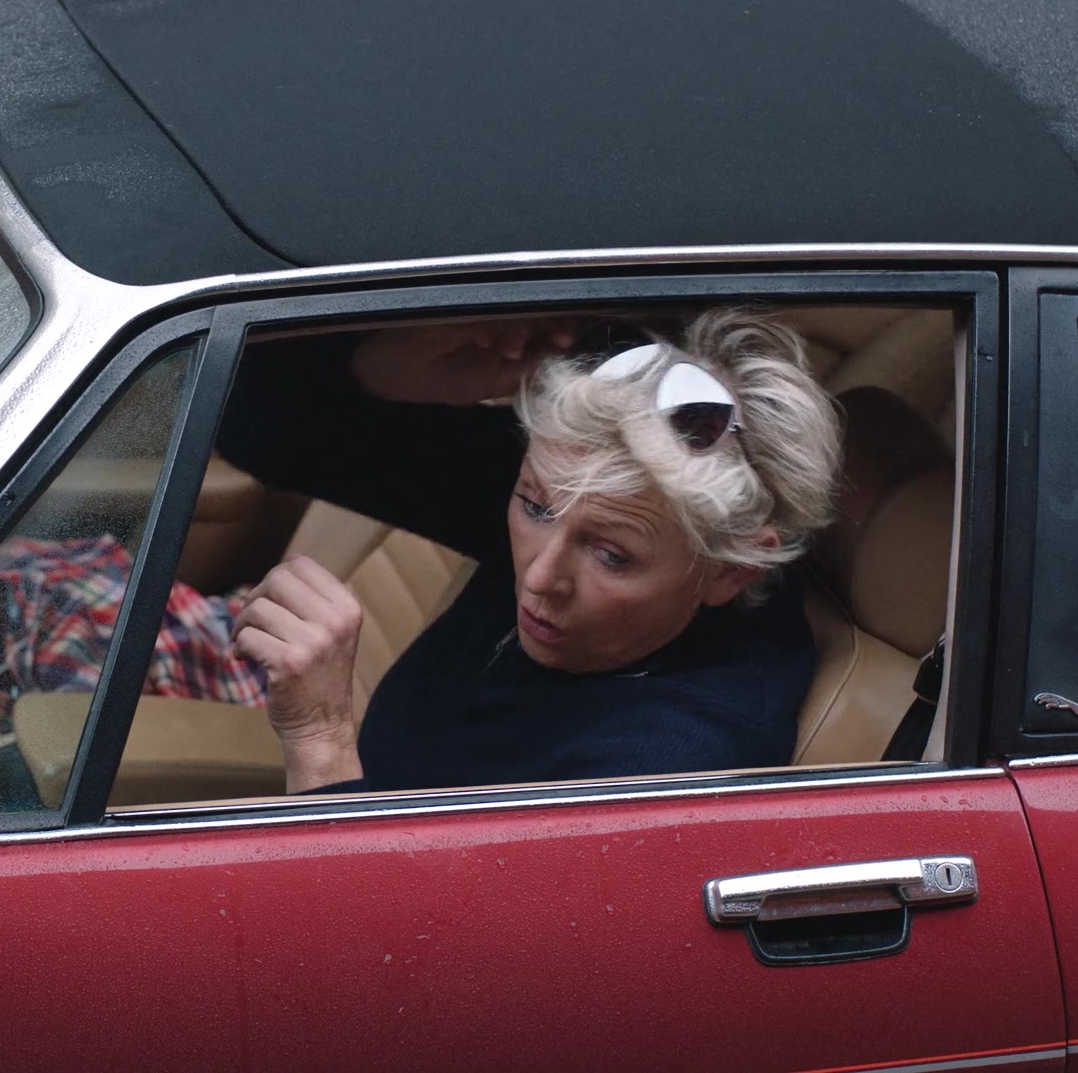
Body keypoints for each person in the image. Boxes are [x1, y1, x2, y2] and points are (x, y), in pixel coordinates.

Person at [216, 308, 843, 793]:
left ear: (734, 572)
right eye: (533, 507)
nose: (539, 577)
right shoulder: (592, 492)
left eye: (611, 557)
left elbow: (403, 930)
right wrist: (392, 369)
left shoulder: (674, 764)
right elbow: (259, 423)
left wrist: (320, 741)